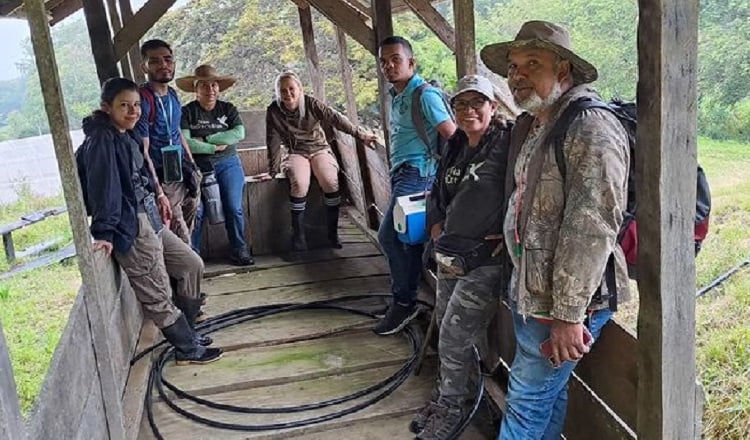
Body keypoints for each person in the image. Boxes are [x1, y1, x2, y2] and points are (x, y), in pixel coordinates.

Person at [479, 20, 630, 438]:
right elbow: (533, 199)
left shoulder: (589, 126)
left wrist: (567, 315)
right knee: (548, 394)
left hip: (566, 303)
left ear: (562, 71)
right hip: (538, 290)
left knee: (526, 401)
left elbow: (592, 226)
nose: (517, 75)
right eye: (512, 67)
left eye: (532, 64)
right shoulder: (541, 120)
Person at [76, 77, 222, 365]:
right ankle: (187, 349)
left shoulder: (124, 133)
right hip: (131, 225)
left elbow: (139, 174)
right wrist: (104, 232)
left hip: (149, 216)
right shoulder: (101, 141)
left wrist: (158, 195)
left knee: (191, 265)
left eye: (136, 105)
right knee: (157, 292)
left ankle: (189, 331)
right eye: (124, 106)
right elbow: (103, 189)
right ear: (106, 108)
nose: (133, 111)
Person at [412, 75, 512, 440]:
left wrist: (510, 228)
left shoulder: (506, 144)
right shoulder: (454, 144)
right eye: (461, 104)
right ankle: (455, 397)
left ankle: (452, 409)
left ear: (493, 107)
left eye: (477, 103)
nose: (469, 111)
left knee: (455, 333)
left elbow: (527, 188)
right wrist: (436, 224)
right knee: (448, 327)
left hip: (486, 260)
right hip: (450, 254)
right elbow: (437, 189)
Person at [373, 36, 457, 336]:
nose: (389, 66)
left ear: (412, 62)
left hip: (419, 174)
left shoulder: (424, 94)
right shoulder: (398, 95)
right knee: (405, 238)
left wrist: (445, 177)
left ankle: (404, 303)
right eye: (384, 61)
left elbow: (452, 134)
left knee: (391, 238)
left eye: (395, 59)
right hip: (403, 174)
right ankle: (405, 298)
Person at [265, 71, 377, 251]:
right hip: (295, 151)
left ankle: (332, 232)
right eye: (283, 90)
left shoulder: (311, 103)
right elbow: (273, 141)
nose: (288, 94)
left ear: (300, 89)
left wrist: (360, 134)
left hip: (318, 148)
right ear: (278, 93)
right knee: (300, 183)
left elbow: (335, 118)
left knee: (330, 181)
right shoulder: (274, 110)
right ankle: (299, 234)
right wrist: (272, 170)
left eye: (292, 89)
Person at [177, 64, 254, 266]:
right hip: (197, 167)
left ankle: (239, 249)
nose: (210, 89)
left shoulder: (228, 109)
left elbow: (238, 134)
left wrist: (207, 138)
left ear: (219, 88)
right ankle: (193, 255)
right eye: (204, 85)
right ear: (196, 88)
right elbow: (186, 143)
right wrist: (213, 147)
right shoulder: (187, 112)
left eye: (214, 85)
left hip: (228, 163)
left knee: (233, 207)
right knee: (197, 211)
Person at [136, 39, 199, 245]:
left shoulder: (172, 94)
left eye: (168, 59)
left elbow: (177, 131)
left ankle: (187, 273)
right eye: (155, 61)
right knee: (179, 233)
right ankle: (187, 273)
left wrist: (192, 164)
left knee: (190, 222)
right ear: (143, 66)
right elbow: (143, 150)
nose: (163, 65)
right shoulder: (143, 99)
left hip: (182, 171)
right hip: (163, 177)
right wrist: (159, 191)